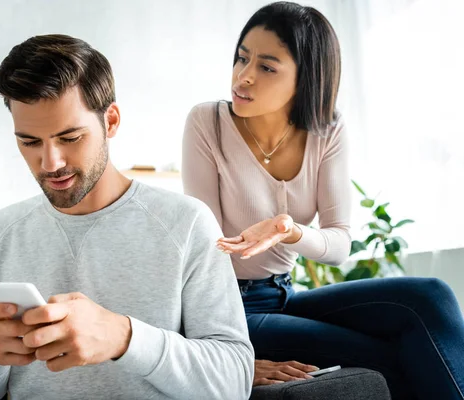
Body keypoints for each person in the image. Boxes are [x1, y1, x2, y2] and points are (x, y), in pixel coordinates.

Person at [182, 2, 464, 399]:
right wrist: (219, 350)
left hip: (284, 294)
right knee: (389, 354)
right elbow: (202, 251)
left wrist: (288, 230)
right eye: (242, 58)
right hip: (232, 309)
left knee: (430, 296)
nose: (242, 77)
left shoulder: (327, 130)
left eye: (266, 66)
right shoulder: (207, 122)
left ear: (305, 78)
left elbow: (339, 244)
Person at [0, 34, 254, 400]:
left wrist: (123, 337)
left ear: (110, 121)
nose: (50, 163)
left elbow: (234, 382)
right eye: (29, 142)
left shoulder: (186, 223)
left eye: (70, 137)